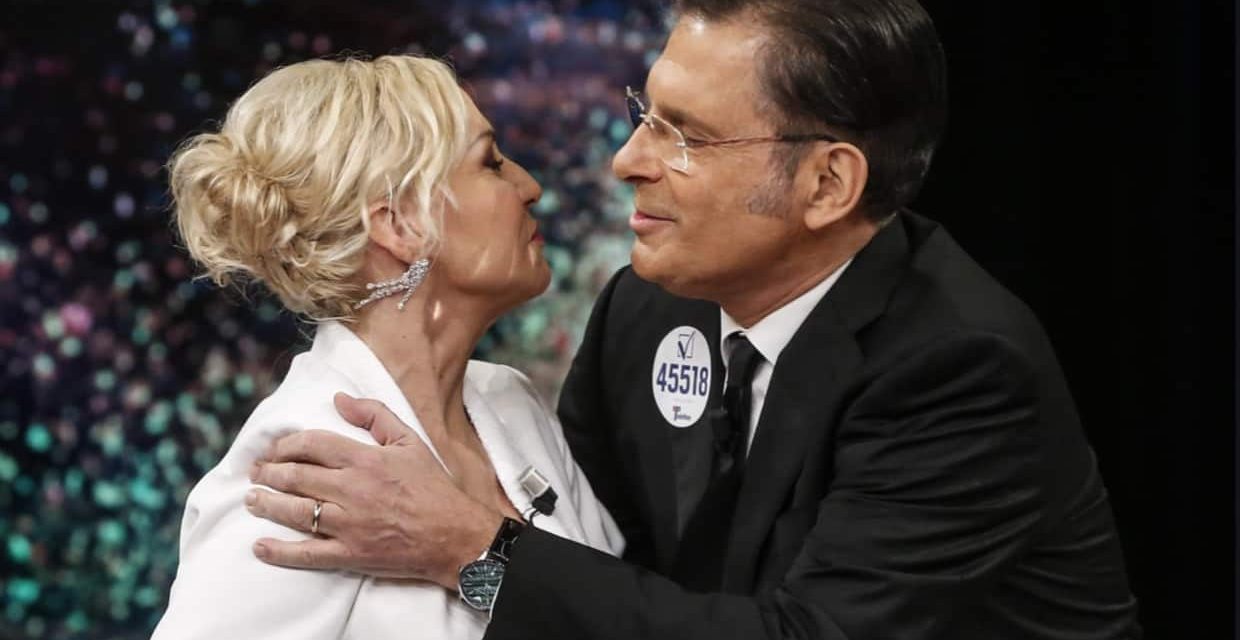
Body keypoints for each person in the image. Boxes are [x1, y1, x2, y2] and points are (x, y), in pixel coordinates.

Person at [245, 1, 1143, 638]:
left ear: (827, 184)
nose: (627, 160)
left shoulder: (960, 366)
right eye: (645, 114)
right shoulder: (644, 308)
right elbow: (602, 580)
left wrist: (471, 551)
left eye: (687, 136)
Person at [151, 55, 623, 639]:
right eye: (491, 163)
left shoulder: (510, 402)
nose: (530, 187)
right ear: (400, 226)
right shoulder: (305, 469)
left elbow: (611, 613)